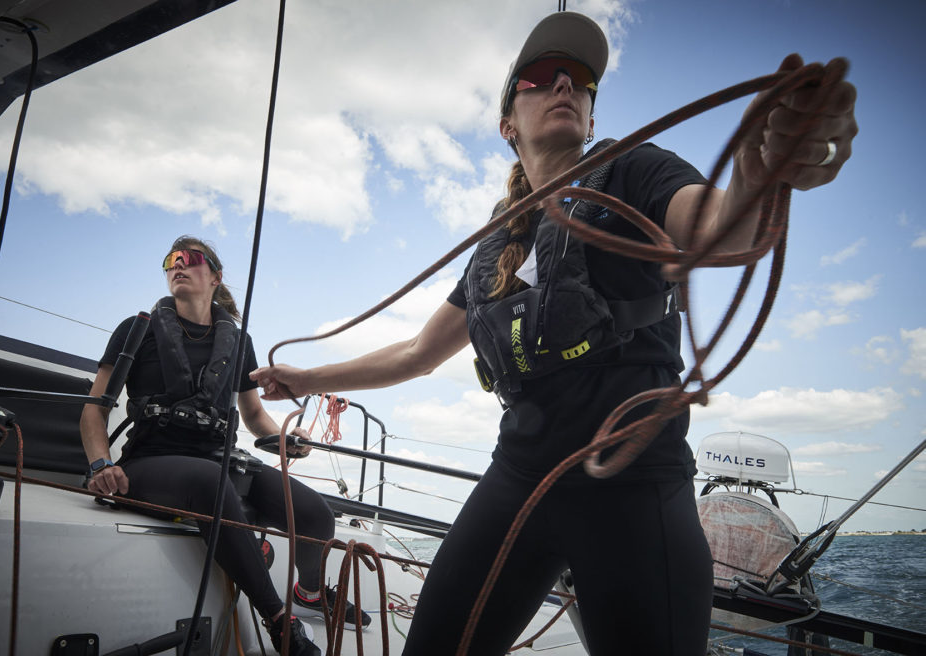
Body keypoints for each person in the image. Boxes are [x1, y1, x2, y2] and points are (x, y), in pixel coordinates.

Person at [251, 11, 857, 656]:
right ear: (508, 124)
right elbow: (417, 353)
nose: (564, 85)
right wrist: (305, 379)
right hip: (519, 479)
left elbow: (716, 229)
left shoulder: (637, 171)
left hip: (636, 484)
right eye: (541, 78)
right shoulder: (496, 243)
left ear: (592, 118)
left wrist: (761, 169)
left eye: (581, 81)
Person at [80, 236, 371, 656]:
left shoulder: (237, 341)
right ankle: (278, 620)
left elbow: (253, 417)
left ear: (215, 276)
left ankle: (309, 593)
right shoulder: (136, 329)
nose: (177, 265)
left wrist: (285, 442)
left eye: (190, 259)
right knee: (209, 481)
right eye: (170, 261)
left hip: (218, 460)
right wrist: (100, 464)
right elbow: (94, 410)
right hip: (149, 463)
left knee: (315, 514)